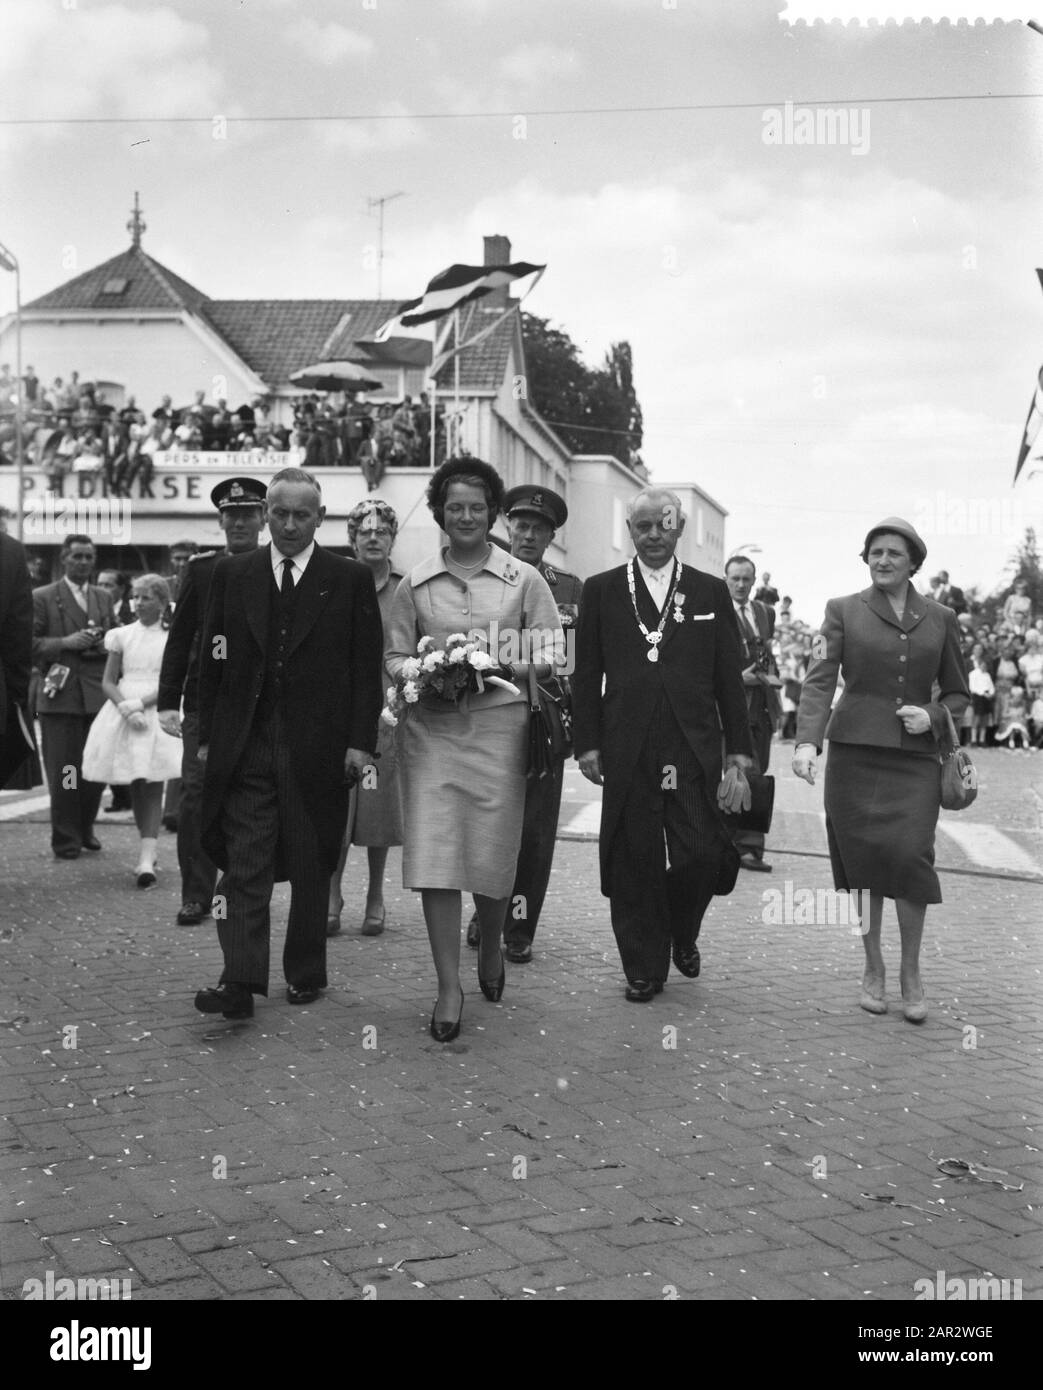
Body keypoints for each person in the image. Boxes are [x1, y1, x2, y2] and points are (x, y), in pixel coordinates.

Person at [194, 467, 383, 1020]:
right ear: (264, 515)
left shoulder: (347, 579)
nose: (291, 525)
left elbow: (363, 668)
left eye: (303, 515)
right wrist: (207, 736)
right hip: (246, 740)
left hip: (318, 744)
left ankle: (305, 971)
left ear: (321, 518)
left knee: (309, 858)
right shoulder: (234, 574)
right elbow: (213, 658)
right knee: (245, 861)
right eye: (280, 513)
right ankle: (240, 980)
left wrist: (359, 743)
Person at [386, 458, 563, 1042]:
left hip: (499, 731)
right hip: (432, 735)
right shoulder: (414, 584)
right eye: (455, 507)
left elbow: (550, 651)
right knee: (435, 855)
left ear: (492, 514)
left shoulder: (525, 581)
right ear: (440, 513)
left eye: (477, 507)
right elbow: (391, 657)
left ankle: (491, 945)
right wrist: (421, 670)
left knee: (490, 854)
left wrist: (492, 664)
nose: (466, 516)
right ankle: (446, 986)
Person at [572, 488, 753, 1003]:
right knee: (634, 859)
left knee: (702, 852)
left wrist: (739, 749)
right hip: (627, 743)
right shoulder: (603, 590)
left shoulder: (709, 592)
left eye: (663, 526)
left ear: (679, 530)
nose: (654, 535)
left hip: (690, 745)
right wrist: (587, 743)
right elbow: (586, 673)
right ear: (630, 530)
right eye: (644, 526)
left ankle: (682, 930)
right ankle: (643, 966)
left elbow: (728, 680)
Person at [792, 517, 970, 1024]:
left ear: (914, 561)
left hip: (915, 760)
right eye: (875, 552)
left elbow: (958, 692)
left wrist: (933, 716)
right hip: (853, 755)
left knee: (911, 857)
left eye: (894, 553)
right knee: (864, 862)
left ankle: (911, 973)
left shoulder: (942, 618)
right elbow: (819, 681)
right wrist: (807, 742)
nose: (883, 560)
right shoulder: (841, 611)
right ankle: (873, 968)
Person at [465, 484, 583, 963]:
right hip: (489, 718)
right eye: (522, 525)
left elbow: (576, 663)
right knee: (486, 823)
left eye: (540, 528)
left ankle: (519, 926)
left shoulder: (572, 589)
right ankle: (482, 913)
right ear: (507, 526)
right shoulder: (481, 578)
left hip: (543, 722)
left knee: (534, 833)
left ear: (552, 535)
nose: (529, 534)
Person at [158, 477, 266, 927]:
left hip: (259, 703)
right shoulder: (201, 570)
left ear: (262, 518)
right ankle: (197, 894)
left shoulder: (274, 566)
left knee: (252, 798)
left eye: (248, 514)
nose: (239, 521)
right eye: (231, 514)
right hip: (205, 703)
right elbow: (180, 637)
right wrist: (167, 700)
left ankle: (241, 887)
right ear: (221, 519)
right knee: (197, 797)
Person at [327, 499, 405, 938]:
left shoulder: (406, 586)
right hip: (338, 707)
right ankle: (332, 893)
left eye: (382, 530)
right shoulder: (334, 581)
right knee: (336, 805)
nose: (373, 537)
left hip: (388, 712)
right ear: (352, 538)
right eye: (364, 531)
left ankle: (376, 895)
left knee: (377, 807)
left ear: (393, 538)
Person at [82, 575, 183, 886]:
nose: (138, 603)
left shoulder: (172, 638)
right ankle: (147, 848)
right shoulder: (121, 635)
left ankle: (145, 857)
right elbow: (109, 681)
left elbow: (173, 681)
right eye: (135, 597)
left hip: (157, 710)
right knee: (137, 781)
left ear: (163, 602)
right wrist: (126, 709)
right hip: (124, 711)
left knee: (153, 782)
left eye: (146, 597)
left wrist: (140, 704)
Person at [32, 534, 116, 858]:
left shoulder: (103, 597)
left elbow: (116, 637)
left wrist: (101, 640)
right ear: (64, 558)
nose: (83, 562)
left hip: (97, 695)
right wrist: (66, 642)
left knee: (94, 768)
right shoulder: (43, 596)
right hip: (61, 697)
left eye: (88, 557)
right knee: (66, 772)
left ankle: (86, 828)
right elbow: (28, 643)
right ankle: (66, 837)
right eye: (77, 556)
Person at [724, 554, 781, 873]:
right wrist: (736, 677)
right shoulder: (716, 610)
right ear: (726, 579)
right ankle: (745, 847)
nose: (741, 585)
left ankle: (743, 844)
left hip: (762, 704)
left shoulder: (764, 612)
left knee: (758, 773)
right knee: (741, 771)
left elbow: (767, 652)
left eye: (747, 579)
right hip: (732, 703)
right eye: (735, 579)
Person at [0, 531, 34, 790]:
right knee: (68, 767)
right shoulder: (10, 551)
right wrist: (17, 698)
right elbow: (18, 635)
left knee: (71, 771)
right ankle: (68, 829)